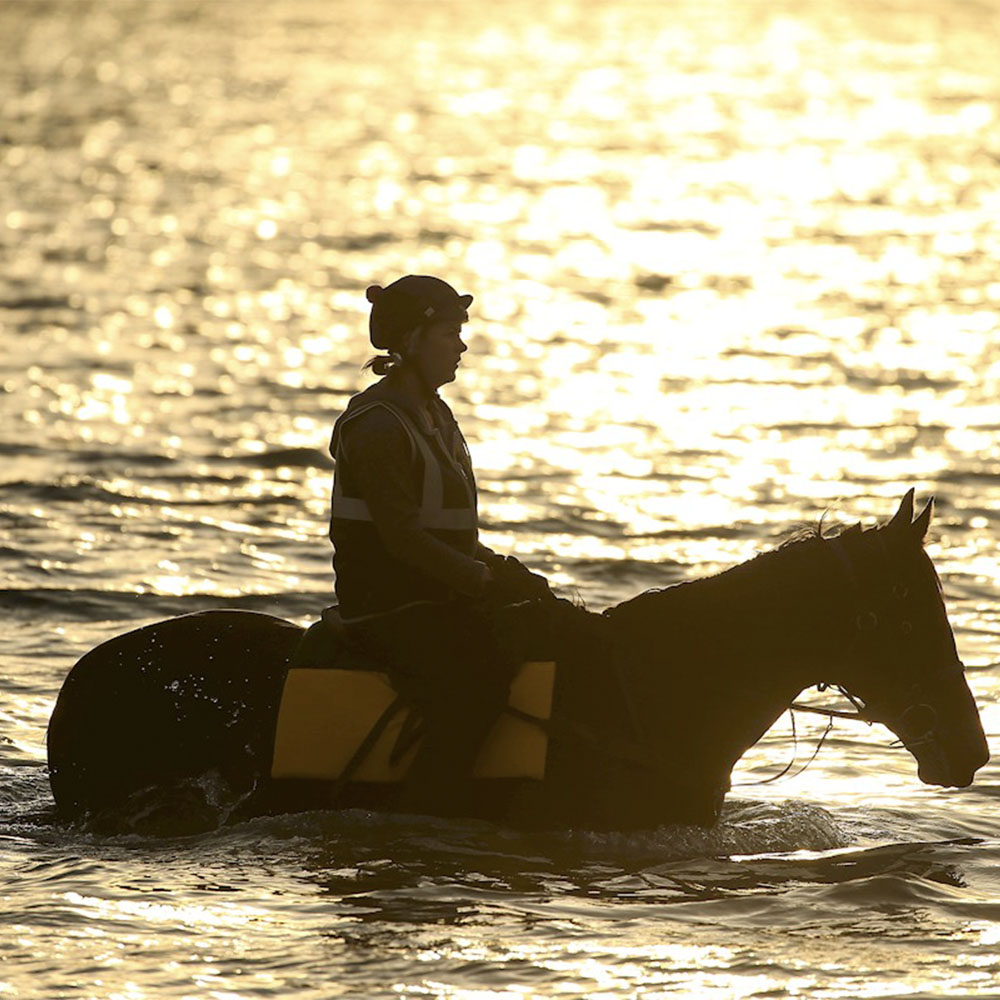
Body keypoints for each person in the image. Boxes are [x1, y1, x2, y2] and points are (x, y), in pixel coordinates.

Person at [328, 274, 555, 814]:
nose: (461, 345)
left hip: (436, 593)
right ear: (410, 342)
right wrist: (479, 580)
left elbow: (447, 532)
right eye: (450, 333)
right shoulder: (378, 426)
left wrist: (503, 570)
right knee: (480, 678)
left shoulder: (434, 413)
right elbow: (403, 540)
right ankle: (430, 810)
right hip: (388, 606)